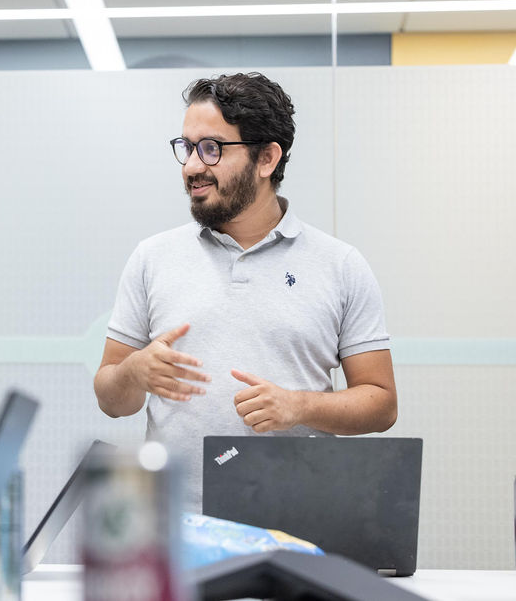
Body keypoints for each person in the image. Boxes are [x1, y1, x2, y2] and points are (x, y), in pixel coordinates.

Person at [93, 73, 398, 511]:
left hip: (297, 521)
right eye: (187, 147)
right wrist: (133, 373)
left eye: (211, 148)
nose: (191, 167)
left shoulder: (340, 265)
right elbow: (111, 399)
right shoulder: (152, 258)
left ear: (267, 158)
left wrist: (299, 406)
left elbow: (382, 405)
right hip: (174, 523)